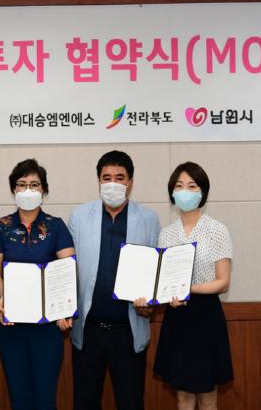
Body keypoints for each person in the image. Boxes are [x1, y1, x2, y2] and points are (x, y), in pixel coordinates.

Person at [68, 150, 161, 410]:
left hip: (128, 330)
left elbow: (155, 271)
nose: (113, 183)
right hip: (88, 330)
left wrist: (151, 303)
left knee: (131, 402)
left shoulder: (148, 219)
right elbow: (66, 269)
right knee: (85, 403)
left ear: (130, 182)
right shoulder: (79, 217)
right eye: (106, 177)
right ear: (98, 180)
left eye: (119, 178)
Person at [0, 158, 75, 410]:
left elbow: (68, 270)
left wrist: (64, 308)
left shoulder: (56, 226)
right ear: (13, 190)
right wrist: (4, 295)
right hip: (12, 324)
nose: (28, 190)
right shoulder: (1, 227)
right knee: (20, 399)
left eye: (34, 184)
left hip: (46, 328)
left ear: (44, 190)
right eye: (21, 184)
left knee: (46, 400)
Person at [150, 162, 233, 410]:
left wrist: (189, 289)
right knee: (183, 397)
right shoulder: (166, 234)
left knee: (208, 398)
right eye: (179, 186)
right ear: (172, 193)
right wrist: (165, 294)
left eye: (192, 186)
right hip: (177, 317)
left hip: (206, 317)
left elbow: (223, 282)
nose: (185, 191)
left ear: (202, 192)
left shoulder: (217, 230)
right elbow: (164, 280)